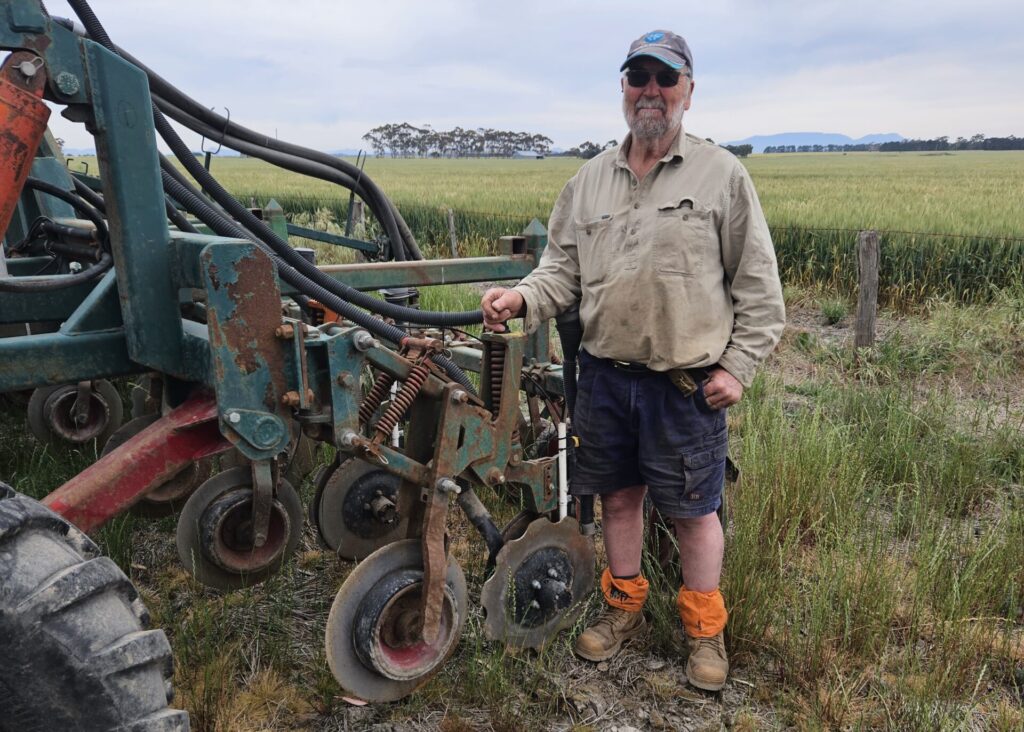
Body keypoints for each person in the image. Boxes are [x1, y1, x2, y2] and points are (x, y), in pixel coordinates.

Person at [480, 30, 785, 691]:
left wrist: (739, 366)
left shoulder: (721, 176)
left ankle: (706, 633)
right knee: (618, 500)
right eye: (637, 77)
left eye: (664, 78)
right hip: (605, 380)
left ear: (688, 91)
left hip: (684, 387)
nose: (651, 90)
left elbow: (760, 287)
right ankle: (626, 613)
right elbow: (560, 271)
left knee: (692, 511)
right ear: (623, 89)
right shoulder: (588, 182)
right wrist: (520, 298)